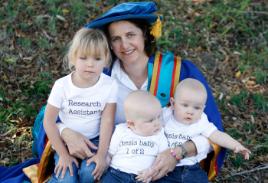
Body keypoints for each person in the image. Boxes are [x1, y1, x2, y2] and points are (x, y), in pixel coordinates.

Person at [56, 1, 225, 181]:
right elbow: (57, 112)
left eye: (130, 35)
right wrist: (66, 132)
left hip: (165, 168)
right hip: (118, 163)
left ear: (144, 34)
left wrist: (178, 153)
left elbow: (211, 130)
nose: (124, 45)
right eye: (116, 39)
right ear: (110, 44)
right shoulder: (102, 74)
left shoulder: (178, 72)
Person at [43, 28, 118, 182]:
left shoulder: (110, 85)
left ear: (106, 60)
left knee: (89, 173)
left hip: (95, 141)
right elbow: (49, 121)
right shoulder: (62, 85)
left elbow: (107, 121)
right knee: (67, 179)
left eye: (97, 59)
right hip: (65, 143)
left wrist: (102, 155)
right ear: (73, 58)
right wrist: (63, 155)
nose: (90, 64)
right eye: (83, 58)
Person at [140, 78, 251, 183]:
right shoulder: (165, 115)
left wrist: (236, 145)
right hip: (165, 169)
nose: (190, 111)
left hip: (191, 168)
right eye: (185, 105)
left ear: (203, 109)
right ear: (173, 103)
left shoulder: (201, 121)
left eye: (196, 108)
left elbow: (217, 135)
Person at [101, 90, 168, 183]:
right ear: (131, 124)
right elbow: (110, 154)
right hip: (116, 174)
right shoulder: (121, 131)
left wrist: (152, 171)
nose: (157, 123)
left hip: (142, 177)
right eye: (150, 120)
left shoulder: (159, 134)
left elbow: (162, 159)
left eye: (159, 117)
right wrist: (103, 166)